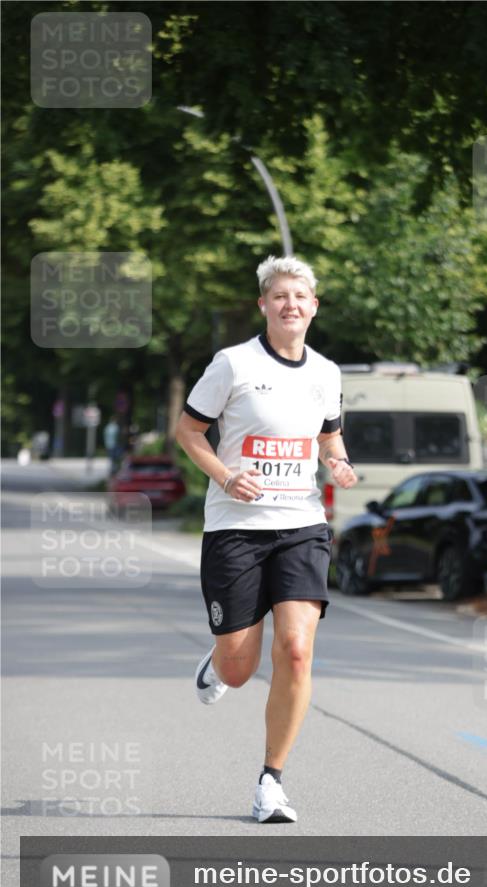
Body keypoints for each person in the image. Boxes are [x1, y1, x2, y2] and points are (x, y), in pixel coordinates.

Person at [175, 255, 357, 823]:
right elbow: (188, 430)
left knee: (297, 650)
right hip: (235, 528)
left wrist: (340, 464)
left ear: (314, 307)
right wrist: (227, 475)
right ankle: (217, 665)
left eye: (300, 297)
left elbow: (331, 439)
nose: (290, 305)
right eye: (280, 296)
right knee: (238, 668)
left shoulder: (327, 373)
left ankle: (270, 782)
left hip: (302, 524)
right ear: (264, 304)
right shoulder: (232, 364)